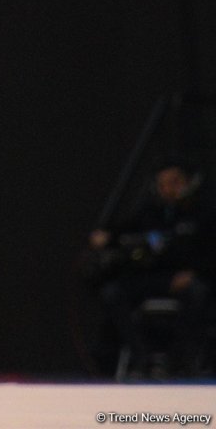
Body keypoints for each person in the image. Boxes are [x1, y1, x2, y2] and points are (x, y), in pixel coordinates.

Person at [90, 159, 214, 376]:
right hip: (153, 279)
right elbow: (123, 230)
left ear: (189, 182)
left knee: (199, 292)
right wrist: (106, 237)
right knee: (112, 292)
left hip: (186, 279)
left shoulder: (205, 214)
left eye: (175, 182)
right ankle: (141, 355)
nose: (170, 189)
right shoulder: (150, 212)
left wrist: (195, 273)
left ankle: (180, 359)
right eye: (164, 184)